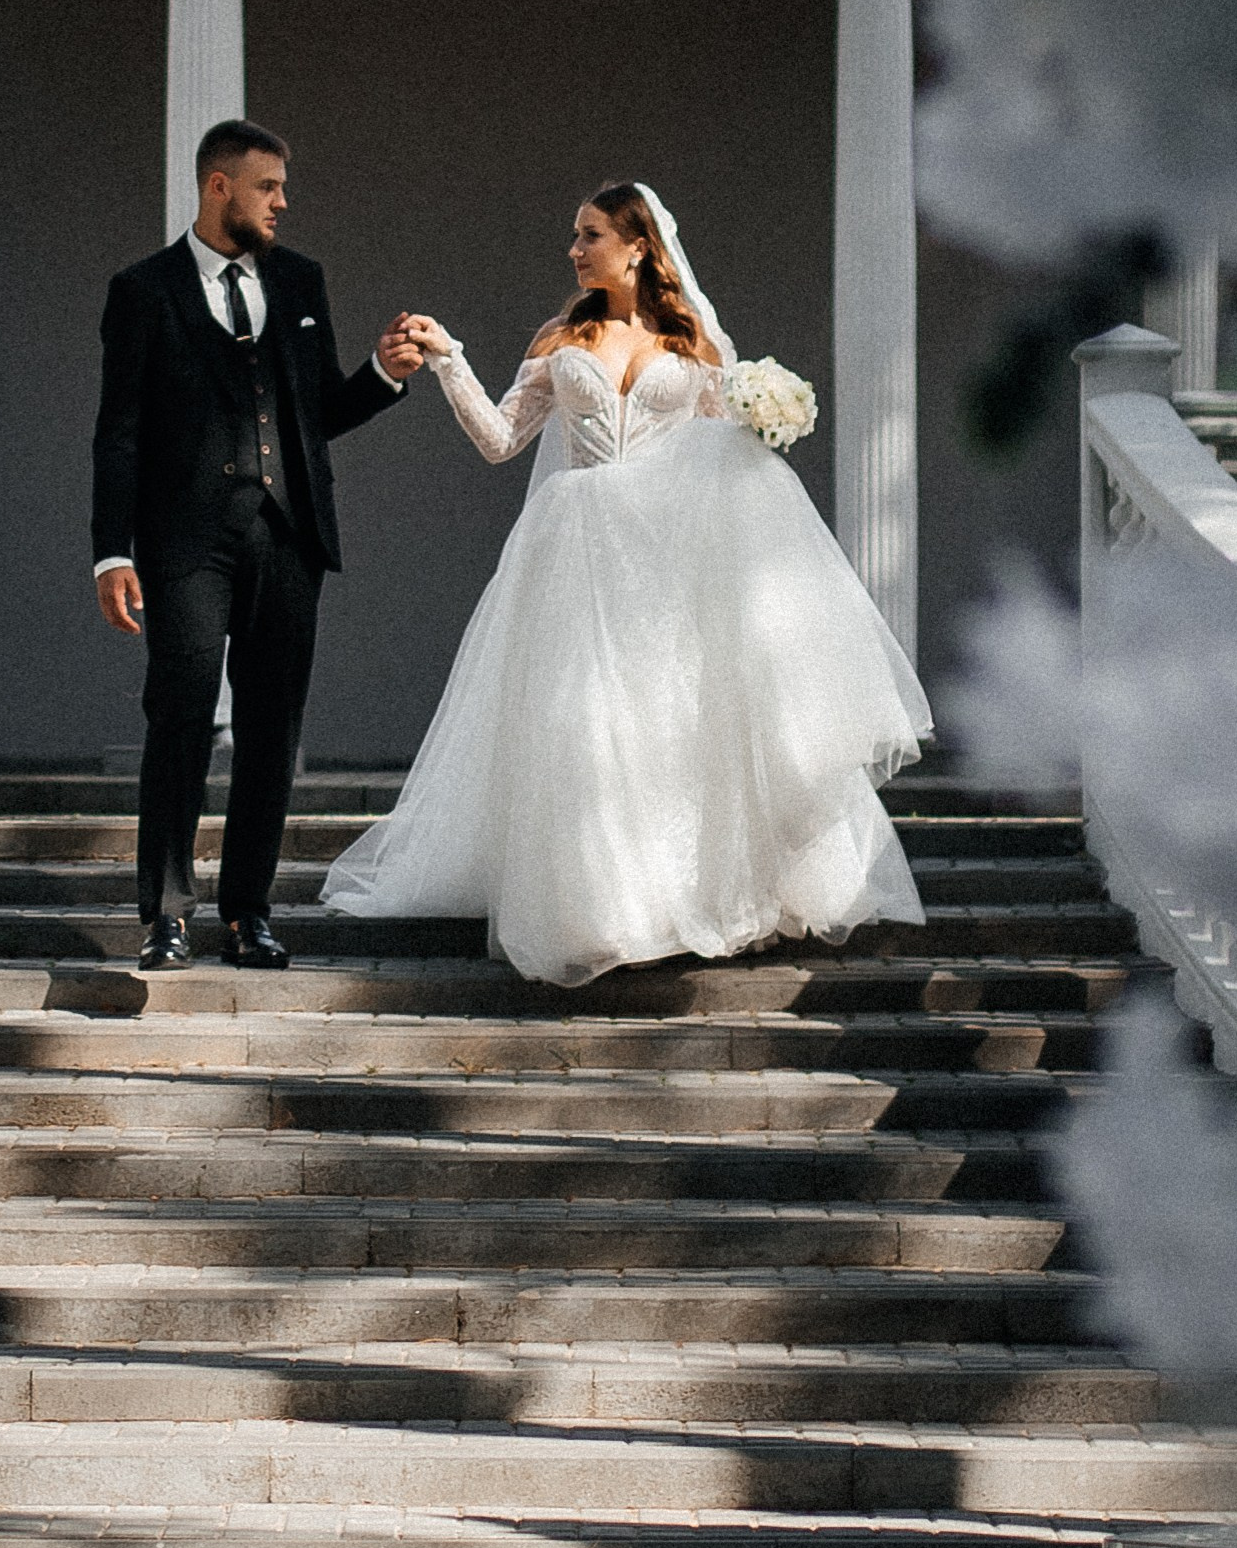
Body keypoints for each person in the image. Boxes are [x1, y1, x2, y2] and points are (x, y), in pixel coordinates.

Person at [320, 181, 930, 987]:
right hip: (575, 548)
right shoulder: (560, 334)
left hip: (669, 554)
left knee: (670, 721)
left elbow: (723, 456)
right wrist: (450, 361)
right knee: (586, 723)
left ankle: (678, 895)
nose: (574, 250)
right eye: (574, 236)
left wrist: (763, 421)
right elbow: (502, 441)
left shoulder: (695, 343)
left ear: (638, 245)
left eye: (589, 235)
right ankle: (601, 908)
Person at [93, 119, 421, 972]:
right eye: (267, 186)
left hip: (289, 538)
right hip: (183, 545)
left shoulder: (302, 281)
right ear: (217, 188)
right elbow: (118, 433)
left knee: (272, 732)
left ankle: (247, 914)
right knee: (181, 717)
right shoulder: (143, 290)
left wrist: (383, 376)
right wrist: (110, 551)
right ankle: (163, 914)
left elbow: (317, 417)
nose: (282, 201)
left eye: (281, 187)